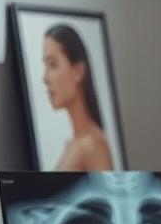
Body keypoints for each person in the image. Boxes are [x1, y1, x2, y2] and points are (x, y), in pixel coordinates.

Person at [42, 24, 115, 171]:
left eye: (53, 65)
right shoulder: (73, 145)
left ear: (78, 72)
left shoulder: (93, 146)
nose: (45, 78)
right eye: (46, 66)